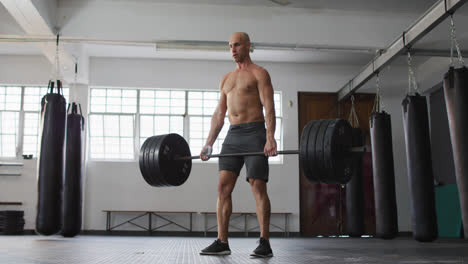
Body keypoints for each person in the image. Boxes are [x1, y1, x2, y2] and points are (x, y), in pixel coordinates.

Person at [199, 32, 277, 258]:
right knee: (223, 187)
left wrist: (270, 137)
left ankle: (264, 242)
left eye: (237, 45)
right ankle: (222, 241)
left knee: (257, 185)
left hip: (255, 132)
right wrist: (209, 143)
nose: (233, 49)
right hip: (233, 136)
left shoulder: (260, 73)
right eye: (230, 46)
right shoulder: (226, 79)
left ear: (248, 46)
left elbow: (269, 107)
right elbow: (219, 114)